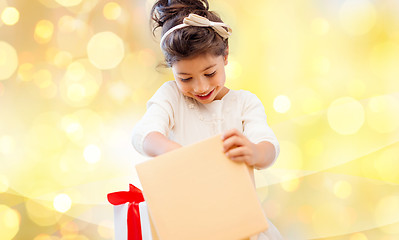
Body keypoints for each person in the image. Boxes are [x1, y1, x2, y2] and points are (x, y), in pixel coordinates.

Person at [132, 0, 283, 239]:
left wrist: (254, 152)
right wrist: (176, 153)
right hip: (190, 227)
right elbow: (142, 135)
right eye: (185, 78)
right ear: (172, 69)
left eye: (209, 73)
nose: (200, 87)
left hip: (240, 227)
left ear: (225, 56)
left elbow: (269, 147)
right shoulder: (171, 97)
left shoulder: (244, 103)